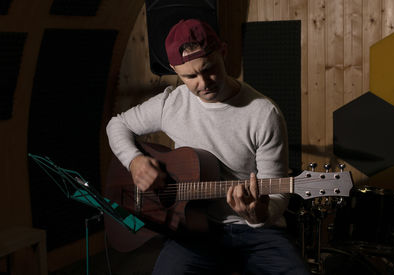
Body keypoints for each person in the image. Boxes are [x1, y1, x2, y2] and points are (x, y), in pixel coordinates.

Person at [106, 18, 309, 275]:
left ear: (223, 52)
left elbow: (278, 193)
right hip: (192, 229)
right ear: (174, 70)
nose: (203, 83)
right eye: (189, 76)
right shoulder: (171, 103)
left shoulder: (263, 113)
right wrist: (134, 161)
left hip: (256, 233)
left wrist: (257, 214)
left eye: (209, 68)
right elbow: (117, 125)